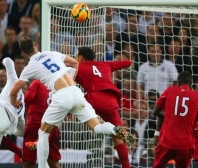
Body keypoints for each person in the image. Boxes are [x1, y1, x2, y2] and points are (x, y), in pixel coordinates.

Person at [10, 36, 134, 168]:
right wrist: (72, 79)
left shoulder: (30, 67)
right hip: (76, 93)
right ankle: (114, 129)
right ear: (36, 45)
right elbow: (75, 62)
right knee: (97, 128)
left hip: (62, 96)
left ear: (23, 53)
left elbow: (14, 90)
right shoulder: (52, 53)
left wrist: (14, 101)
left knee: (43, 133)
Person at [75, 46, 132, 168]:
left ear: (80, 57)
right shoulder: (106, 65)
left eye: (76, 56)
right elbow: (128, 63)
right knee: (118, 139)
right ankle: (127, 166)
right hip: (111, 101)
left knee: (71, 107)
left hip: (92, 99)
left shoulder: (77, 67)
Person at [152, 71, 198, 168]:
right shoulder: (197, 96)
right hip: (186, 144)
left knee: (158, 166)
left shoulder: (170, 90)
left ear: (178, 82)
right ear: (191, 83)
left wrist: (167, 117)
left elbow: (155, 111)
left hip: (167, 141)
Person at [23, 80, 60, 168]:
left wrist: (26, 109)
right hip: (53, 126)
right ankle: (40, 142)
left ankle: (38, 142)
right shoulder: (57, 84)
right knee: (53, 162)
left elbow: (28, 98)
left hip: (35, 124)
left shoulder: (36, 82)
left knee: (28, 162)